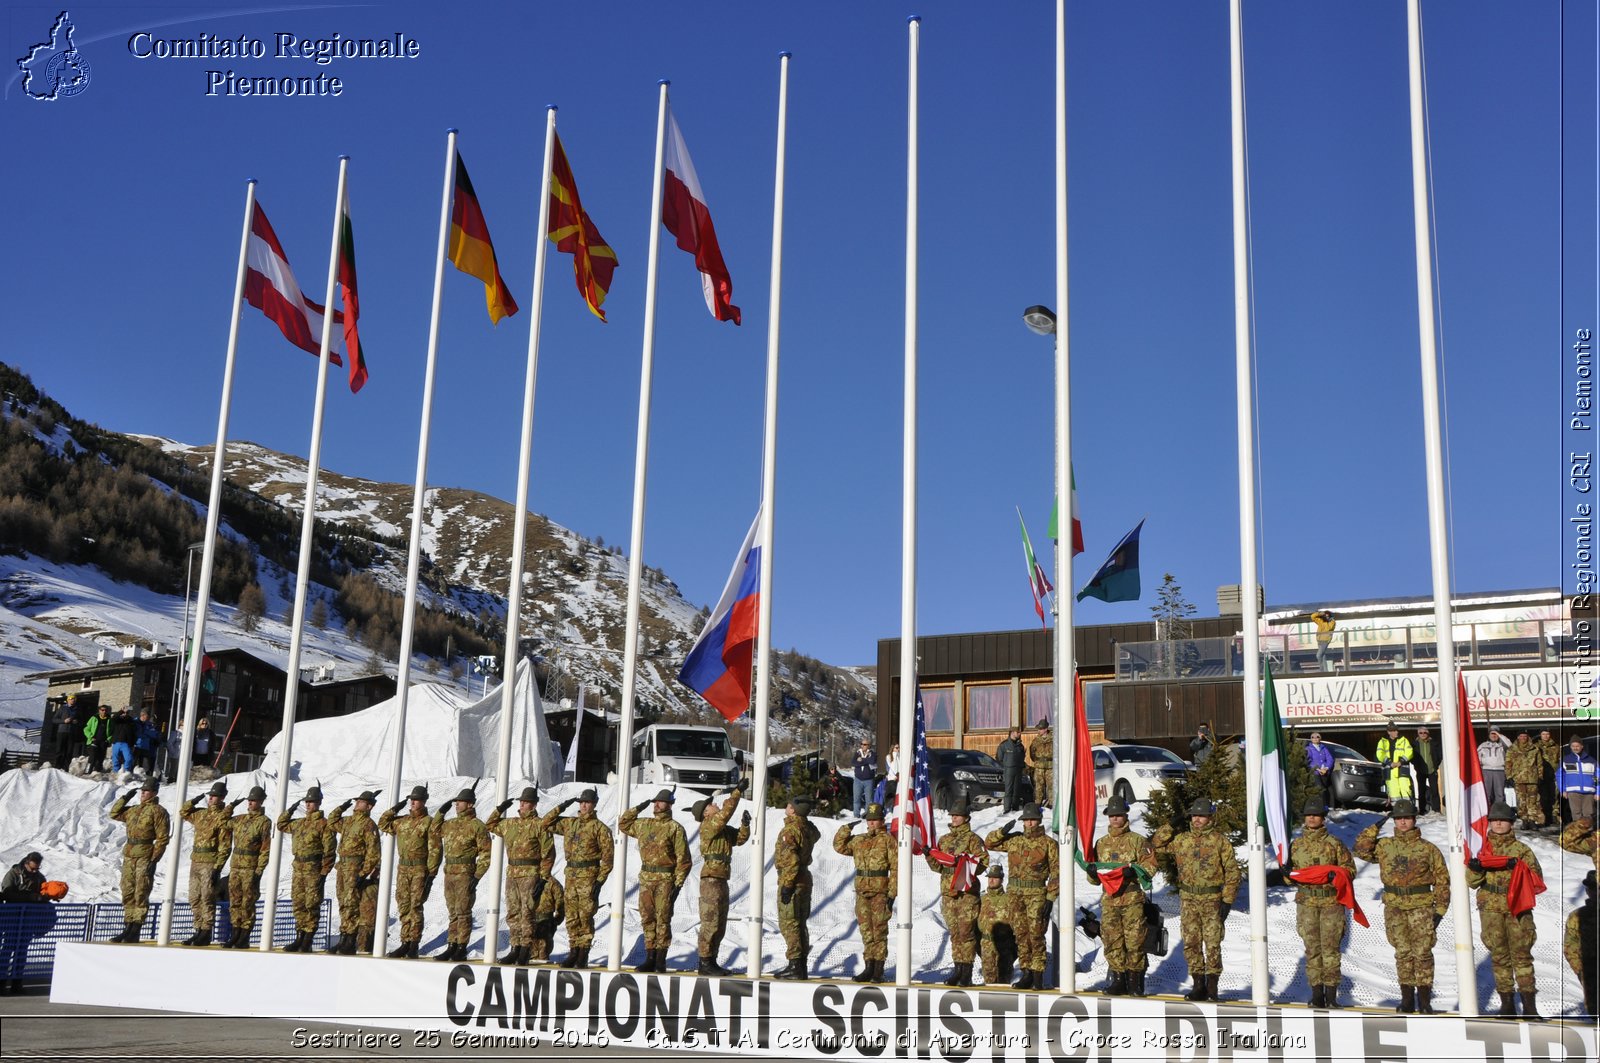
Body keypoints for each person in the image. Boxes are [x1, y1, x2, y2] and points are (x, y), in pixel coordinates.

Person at [1354, 799, 1449, 1014]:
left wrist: (1440, 910)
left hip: (1421, 907)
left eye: (1406, 818)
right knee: (1403, 953)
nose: (1403, 822)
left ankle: (1424, 1001)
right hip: (1395, 907)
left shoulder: (1428, 849)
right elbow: (1360, 849)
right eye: (1398, 819)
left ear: (1414, 819)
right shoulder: (1385, 846)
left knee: (1423, 953)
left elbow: (1443, 880)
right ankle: (1407, 999)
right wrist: (1376, 826)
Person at [1152, 798, 1239, 1002]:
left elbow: (1232, 872)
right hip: (1189, 899)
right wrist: (1173, 822)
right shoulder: (1182, 840)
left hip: (1212, 899)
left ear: (1210, 817)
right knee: (1191, 943)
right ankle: (1198, 984)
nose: (1197, 819)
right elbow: (1156, 843)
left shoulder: (1220, 841)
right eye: (1194, 815)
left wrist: (1227, 901)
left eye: (1201, 815)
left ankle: (1212, 987)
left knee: (1212, 944)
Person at [1466, 801, 1544, 1018]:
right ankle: (1507, 1004)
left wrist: (1519, 868)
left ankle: (1529, 1006)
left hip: (1517, 907)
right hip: (1491, 910)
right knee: (1499, 956)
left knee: (1522, 956)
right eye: (1495, 820)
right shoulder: (1481, 848)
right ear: (1489, 823)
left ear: (1511, 823)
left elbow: (1537, 879)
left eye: (1504, 820)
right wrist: (1476, 868)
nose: (1499, 824)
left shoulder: (1522, 851)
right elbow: (1471, 882)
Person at [1289, 796, 1356, 1007]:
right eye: (1308, 814)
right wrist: (1284, 874)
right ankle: (1316, 994)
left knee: (1330, 950)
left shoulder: (1334, 845)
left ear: (1322, 818)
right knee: (1312, 949)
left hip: (1331, 904)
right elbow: (1290, 874)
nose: (1311, 818)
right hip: (1307, 903)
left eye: (1315, 814)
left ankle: (1331, 995)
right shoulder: (1296, 845)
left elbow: (1350, 871)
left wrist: (1334, 877)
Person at [984, 802, 1059, 990]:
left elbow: (1057, 872)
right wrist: (1003, 831)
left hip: (1036, 894)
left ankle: (1037, 975)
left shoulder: (1048, 843)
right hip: (1015, 894)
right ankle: (1026, 972)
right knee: (1020, 935)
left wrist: (1050, 897)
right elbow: (989, 843)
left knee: (1036, 935)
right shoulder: (1014, 840)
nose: (1030, 823)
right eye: (1026, 820)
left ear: (1039, 820)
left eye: (1033, 820)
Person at [1089, 796, 1157, 996]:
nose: (1115, 819)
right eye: (1112, 816)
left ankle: (1135, 981)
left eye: (1118, 815)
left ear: (1125, 815)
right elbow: (1095, 877)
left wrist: (1135, 872)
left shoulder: (1137, 840)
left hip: (1132, 899)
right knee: (1112, 940)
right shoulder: (1101, 844)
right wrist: (1092, 873)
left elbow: (1151, 866)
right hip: (1110, 900)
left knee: (1135, 941)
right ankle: (1118, 980)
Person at [618, 788, 691, 973]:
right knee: (647, 918)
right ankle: (650, 956)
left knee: (663, 919)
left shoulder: (675, 828)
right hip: (646, 879)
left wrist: (678, 884)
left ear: (670, 804)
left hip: (665, 880)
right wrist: (639, 807)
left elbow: (684, 861)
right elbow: (623, 823)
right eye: (655, 801)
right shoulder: (644, 824)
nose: (657, 804)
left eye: (661, 801)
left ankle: (660, 959)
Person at [542, 788, 613, 970]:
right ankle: (573, 950)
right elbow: (545, 823)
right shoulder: (569, 824)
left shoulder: (600, 829)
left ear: (594, 804)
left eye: (587, 802)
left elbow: (608, 859)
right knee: (572, 917)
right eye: (581, 802)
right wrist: (562, 806)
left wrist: (599, 881)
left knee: (585, 917)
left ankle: (583, 953)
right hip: (571, 876)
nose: (583, 805)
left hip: (588, 877)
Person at [486, 785, 553, 967]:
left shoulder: (540, 825)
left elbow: (548, 853)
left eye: (526, 802)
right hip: (512, 873)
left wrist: (544, 878)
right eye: (522, 802)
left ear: (533, 805)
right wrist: (499, 809)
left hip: (530, 873)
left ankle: (525, 949)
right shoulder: (510, 823)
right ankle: (514, 948)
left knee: (527, 913)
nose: (522, 805)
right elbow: (490, 825)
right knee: (513, 913)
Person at [835, 802, 898, 984]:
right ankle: (868, 966)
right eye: (869, 820)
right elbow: (839, 846)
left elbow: (895, 868)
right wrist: (846, 828)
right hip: (862, 891)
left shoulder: (888, 841)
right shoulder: (859, 840)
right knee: (866, 931)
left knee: (879, 931)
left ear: (881, 821)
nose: (871, 823)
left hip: (880, 891)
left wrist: (892, 893)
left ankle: (878, 969)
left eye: (875, 820)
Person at [927, 800, 988, 986]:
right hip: (948, 893)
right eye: (952, 816)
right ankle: (957, 969)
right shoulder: (944, 840)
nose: (954, 818)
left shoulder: (973, 839)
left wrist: (964, 864)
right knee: (954, 934)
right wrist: (929, 855)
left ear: (966, 818)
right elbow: (938, 867)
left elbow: (982, 862)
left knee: (966, 933)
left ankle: (966, 973)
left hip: (966, 894)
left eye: (957, 816)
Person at [692, 787, 750, 975]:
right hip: (711, 879)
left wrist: (745, 825)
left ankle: (712, 960)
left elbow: (739, 839)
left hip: (721, 877)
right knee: (710, 921)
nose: (715, 804)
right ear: (706, 812)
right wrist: (737, 792)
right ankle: (705, 961)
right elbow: (726, 812)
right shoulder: (709, 824)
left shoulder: (720, 828)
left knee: (719, 921)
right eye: (711, 804)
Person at [378, 785, 441, 958]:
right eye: (411, 799)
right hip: (403, 868)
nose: (412, 802)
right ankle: (404, 942)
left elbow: (435, 848)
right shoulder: (402, 821)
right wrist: (394, 809)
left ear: (424, 801)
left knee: (415, 906)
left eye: (416, 800)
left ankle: (413, 943)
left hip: (420, 869)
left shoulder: (429, 822)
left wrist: (432, 873)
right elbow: (383, 823)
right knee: (403, 905)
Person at [108, 776, 170, 943]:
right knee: (127, 890)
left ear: (154, 793)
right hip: (129, 854)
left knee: (140, 892)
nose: (142, 793)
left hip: (145, 855)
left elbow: (162, 839)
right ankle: (127, 925)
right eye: (142, 791)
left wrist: (153, 860)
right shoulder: (133, 810)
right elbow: (114, 813)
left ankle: (136, 928)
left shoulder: (158, 811)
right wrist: (125, 798)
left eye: (146, 791)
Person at [275, 784, 336, 953]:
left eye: (312, 802)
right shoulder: (300, 823)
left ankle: (307, 940)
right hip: (299, 868)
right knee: (298, 903)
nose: (308, 805)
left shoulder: (324, 824)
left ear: (319, 803)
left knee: (311, 904)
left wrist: (324, 873)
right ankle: (299, 937)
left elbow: (330, 851)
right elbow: (281, 824)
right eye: (307, 802)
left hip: (313, 869)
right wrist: (290, 810)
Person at [434, 787, 491, 962]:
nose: (457, 805)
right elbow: (434, 829)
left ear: (470, 804)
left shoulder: (477, 826)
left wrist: (477, 876)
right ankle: (451, 945)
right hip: (449, 874)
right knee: (452, 912)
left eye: (460, 802)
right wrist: (440, 812)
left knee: (463, 912)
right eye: (456, 802)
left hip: (465, 875)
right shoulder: (450, 824)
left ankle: (461, 947)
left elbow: (486, 854)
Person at [327, 789, 382, 956]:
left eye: (361, 801)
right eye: (357, 800)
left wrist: (363, 873)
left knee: (351, 904)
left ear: (369, 806)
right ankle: (344, 937)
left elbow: (374, 853)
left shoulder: (369, 824)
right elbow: (331, 821)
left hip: (354, 867)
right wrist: (342, 807)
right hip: (342, 867)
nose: (357, 803)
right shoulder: (348, 821)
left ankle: (350, 941)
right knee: (343, 903)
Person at [771, 796, 820, 979]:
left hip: (793, 878)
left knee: (789, 923)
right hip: (804, 878)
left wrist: (787, 885)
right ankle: (801, 965)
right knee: (800, 923)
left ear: (793, 810)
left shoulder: (790, 829)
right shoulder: (806, 828)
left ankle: (794, 965)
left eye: (789, 805)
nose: (786, 806)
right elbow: (816, 834)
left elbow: (791, 860)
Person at [178, 781, 232, 947]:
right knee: (194, 897)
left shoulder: (222, 817)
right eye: (210, 795)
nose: (211, 798)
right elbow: (183, 811)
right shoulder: (200, 814)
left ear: (222, 798)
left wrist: (217, 867)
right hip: (196, 861)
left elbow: (225, 846)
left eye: (214, 796)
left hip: (209, 863)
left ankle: (206, 932)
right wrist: (195, 800)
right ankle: (198, 929)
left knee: (207, 898)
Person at [225, 785, 273, 949]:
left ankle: (244, 936)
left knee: (248, 903)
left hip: (250, 868)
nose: (251, 803)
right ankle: (235, 933)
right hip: (236, 866)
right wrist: (231, 806)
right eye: (249, 800)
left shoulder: (264, 822)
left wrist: (259, 870)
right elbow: (222, 821)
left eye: (254, 801)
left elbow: (265, 848)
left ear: (260, 802)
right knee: (235, 901)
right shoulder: (239, 819)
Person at [0, 851, 49, 993]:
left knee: (21, 951)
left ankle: (17, 983)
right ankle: (1, 982)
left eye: (37, 868)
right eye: (32, 868)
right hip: (12, 919)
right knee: (7, 950)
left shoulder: (39, 878)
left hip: (28, 920)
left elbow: (43, 892)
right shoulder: (14, 874)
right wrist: (31, 897)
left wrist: (45, 897)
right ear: (26, 863)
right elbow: (7, 893)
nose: (34, 871)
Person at [1565, 870, 1597, 1019]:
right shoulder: (1576, 916)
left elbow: (1570, 950)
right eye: (1594, 888)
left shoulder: (1576, 916)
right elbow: (1570, 949)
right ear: (1588, 891)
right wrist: (1582, 972)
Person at [977, 864, 1016, 987]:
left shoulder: (1009, 900)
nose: (991, 880)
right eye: (990, 877)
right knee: (988, 983)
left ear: (1001, 880)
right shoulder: (981, 900)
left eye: (995, 877)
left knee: (1004, 983)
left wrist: (1013, 951)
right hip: (986, 947)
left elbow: (1017, 925)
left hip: (1005, 947)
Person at [1505, 731, 1547, 830]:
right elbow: (1508, 763)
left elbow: (1539, 764)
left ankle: (1532, 821)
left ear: (1528, 737)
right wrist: (1509, 777)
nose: (1523, 738)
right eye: (1521, 736)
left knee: (1533, 801)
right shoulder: (1512, 749)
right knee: (1521, 801)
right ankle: (1524, 820)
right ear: (1518, 737)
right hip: (1518, 779)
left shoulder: (1534, 748)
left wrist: (1540, 776)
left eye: (1525, 736)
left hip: (1532, 778)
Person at [1558, 739, 1598, 825]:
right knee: (1576, 814)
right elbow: (1560, 775)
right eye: (1573, 746)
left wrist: (1598, 792)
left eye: (1577, 746)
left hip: (1589, 792)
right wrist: (1563, 789)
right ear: (1571, 747)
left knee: (1589, 815)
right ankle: (1578, 835)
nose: (1575, 748)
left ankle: (1588, 835)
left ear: (1582, 746)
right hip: (1573, 792)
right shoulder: (1566, 759)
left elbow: (1597, 776)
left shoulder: (1591, 760)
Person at [529, 872, 566, 965]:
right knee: (529, 953)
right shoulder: (530, 880)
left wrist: (556, 921)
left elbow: (561, 904)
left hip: (545, 922)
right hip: (529, 920)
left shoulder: (552, 883)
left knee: (542, 954)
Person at [1376, 724, 1414, 803]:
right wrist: (1389, 763)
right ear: (1389, 732)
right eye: (1394, 731)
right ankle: (1397, 810)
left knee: (1405, 789)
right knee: (1394, 791)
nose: (1396, 732)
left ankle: (1409, 809)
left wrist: (1401, 761)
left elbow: (1409, 752)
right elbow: (1379, 754)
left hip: (1402, 769)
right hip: (1390, 770)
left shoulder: (1404, 740)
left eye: (1397, 730)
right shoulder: (1382, 742)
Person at [1478, 727, 1512, 807]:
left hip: (1499, 771)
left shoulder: (1502, 745)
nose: (1494, 735)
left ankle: (1499, 812)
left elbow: (1510, 745)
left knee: (1499, 793)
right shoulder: (1483, 745)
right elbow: (1477, 758)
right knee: (1487, 793)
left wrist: (1499, 735)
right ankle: (1487, 812)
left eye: (1496, 734)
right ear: (1489, 735)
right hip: (1486, 771)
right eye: (1492, 733)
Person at [996, 727, 1028, 812]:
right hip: (1009, 769)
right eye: (1018, 732)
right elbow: (999, 758)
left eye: (1019, 732)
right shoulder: (1004, 745)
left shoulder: (1020, 745)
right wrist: (1006, 766)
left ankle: (1015, 808)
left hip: (1018, 769)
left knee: (1016, 790)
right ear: (1012, 733)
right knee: (1009, 790)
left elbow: (1022, 758)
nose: (1019, 734)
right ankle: (1007, 809)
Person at [1537, 730, 1561, 826]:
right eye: (1543, 734)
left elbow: (1559, 760)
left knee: (1554, 796)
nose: (1545, 736)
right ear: (1540, 735)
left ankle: (1554, 815)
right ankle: (1546, 816)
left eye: (1547, 734)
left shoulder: (1556, 747)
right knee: (1543, 797)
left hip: (1553, 775)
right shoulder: (1536, 747)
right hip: (1541, 775)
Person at [1305, 733, 1335, 809]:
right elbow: (1308, 761)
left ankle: (1330, 807)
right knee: (1320, 788)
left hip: (1325, 772)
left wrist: (1326, 768)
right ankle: (1322, 806)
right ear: (1311, 739)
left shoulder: (1324, 748)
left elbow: (1330, 759)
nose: (1315, 738)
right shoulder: (1308, 749)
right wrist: (1317, 769)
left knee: (1329, 790)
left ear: (1320, 738)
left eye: (1317, 737)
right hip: (1315, 772)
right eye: (1313, 737)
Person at [1412, 727, 1438, 814]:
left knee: (1434, 791)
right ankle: (1422, 810)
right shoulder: (1414, 744)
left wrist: (1436, 765)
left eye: (1425, 733)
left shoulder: (1433, 743)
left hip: (1432, 770)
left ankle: (1436, 810)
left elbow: (1439, 754)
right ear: (1418, 734)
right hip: (1420, 771)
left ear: (1428, 734)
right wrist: (1415, 765)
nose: (1423, 734)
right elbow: (1411, 756)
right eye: (1421, 733)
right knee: (1421, 791)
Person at [1029, 722, 1054, 808]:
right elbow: (1032, 752)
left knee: (1051, 786)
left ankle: (1051, 805)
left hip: (1050, 767)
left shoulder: (1054, 739)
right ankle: (1037, 805)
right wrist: (1037, 761)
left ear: (1045, 729)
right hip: (1039, 767)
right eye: (1038, 729)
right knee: (1038, 787)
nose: (1039, 730)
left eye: (1040, 729)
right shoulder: (1036, 740)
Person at [851, 739, 876, 817]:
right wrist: (865, 762)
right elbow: (853, 762)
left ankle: (867, 815)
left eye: (865, 744)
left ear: (869, 745)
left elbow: (872, 761)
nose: (863, 745)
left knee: (869, 800)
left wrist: (861, 760)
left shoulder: (872, 753)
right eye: (862, 744)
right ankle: (856, 815)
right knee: (856, 799)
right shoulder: (857, 753)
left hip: (869, 780)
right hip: (858, 780)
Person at [51, 698, 80, 766]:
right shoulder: (62, 708)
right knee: (59, 750)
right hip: (62, 732)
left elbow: (81, 721)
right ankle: (57, 767)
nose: (73, 700)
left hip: (71, 733)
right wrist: (63, 721)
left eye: (74, 699)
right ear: (67, 700)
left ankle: (66, 768)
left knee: (69, 751)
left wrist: (76, 722)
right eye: (71, 699)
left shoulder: (77, 709)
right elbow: (54, 719)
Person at [83, 705, 111, 773]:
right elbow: (86, 729)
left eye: (105, 710)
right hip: (94, 741)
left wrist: (108, 739)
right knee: (92, 757)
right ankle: (87, 772)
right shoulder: (94, 718)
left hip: (103, 742)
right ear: (99, 710)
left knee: (100, 758)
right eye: (102, 710)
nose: (104, 711)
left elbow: (112, 732)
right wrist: (91, 736)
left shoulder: (109, 720)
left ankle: (97, 773)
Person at [109, 707, 136, 776]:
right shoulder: (117, 720)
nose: (125, 714)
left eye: (126, 712)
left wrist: (132, 743)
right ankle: (115, 772)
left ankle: (126, 772)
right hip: (116, 742)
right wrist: (121, 711)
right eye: (124, 712)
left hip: (126, 743)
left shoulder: (131, 721)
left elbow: (133, 733)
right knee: (115, 759)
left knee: (129, 758)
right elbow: (113, 718)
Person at [132, 710, 160, 776]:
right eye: (147, 716)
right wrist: (146, 734)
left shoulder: (149, 724)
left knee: (147, 763)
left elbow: (154, 734)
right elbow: (137, 733)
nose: (148, 718)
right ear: (143, 715)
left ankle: (147, 776)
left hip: (146, 746)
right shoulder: (135, 722)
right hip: (137, 745)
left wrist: (146, 734)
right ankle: (131, 774)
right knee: (134, 762)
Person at [882, 743, 901, 809]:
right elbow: (889, 768)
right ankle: (889, 810)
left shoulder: (899, 756)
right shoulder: (889, 756)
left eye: (898, 747)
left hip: (898, 778)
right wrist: (894, 776)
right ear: (893, 748)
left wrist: (899, 775)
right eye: (896, 747)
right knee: (891, 795)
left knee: (897, 796)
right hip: (892, 779)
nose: (898, 749)